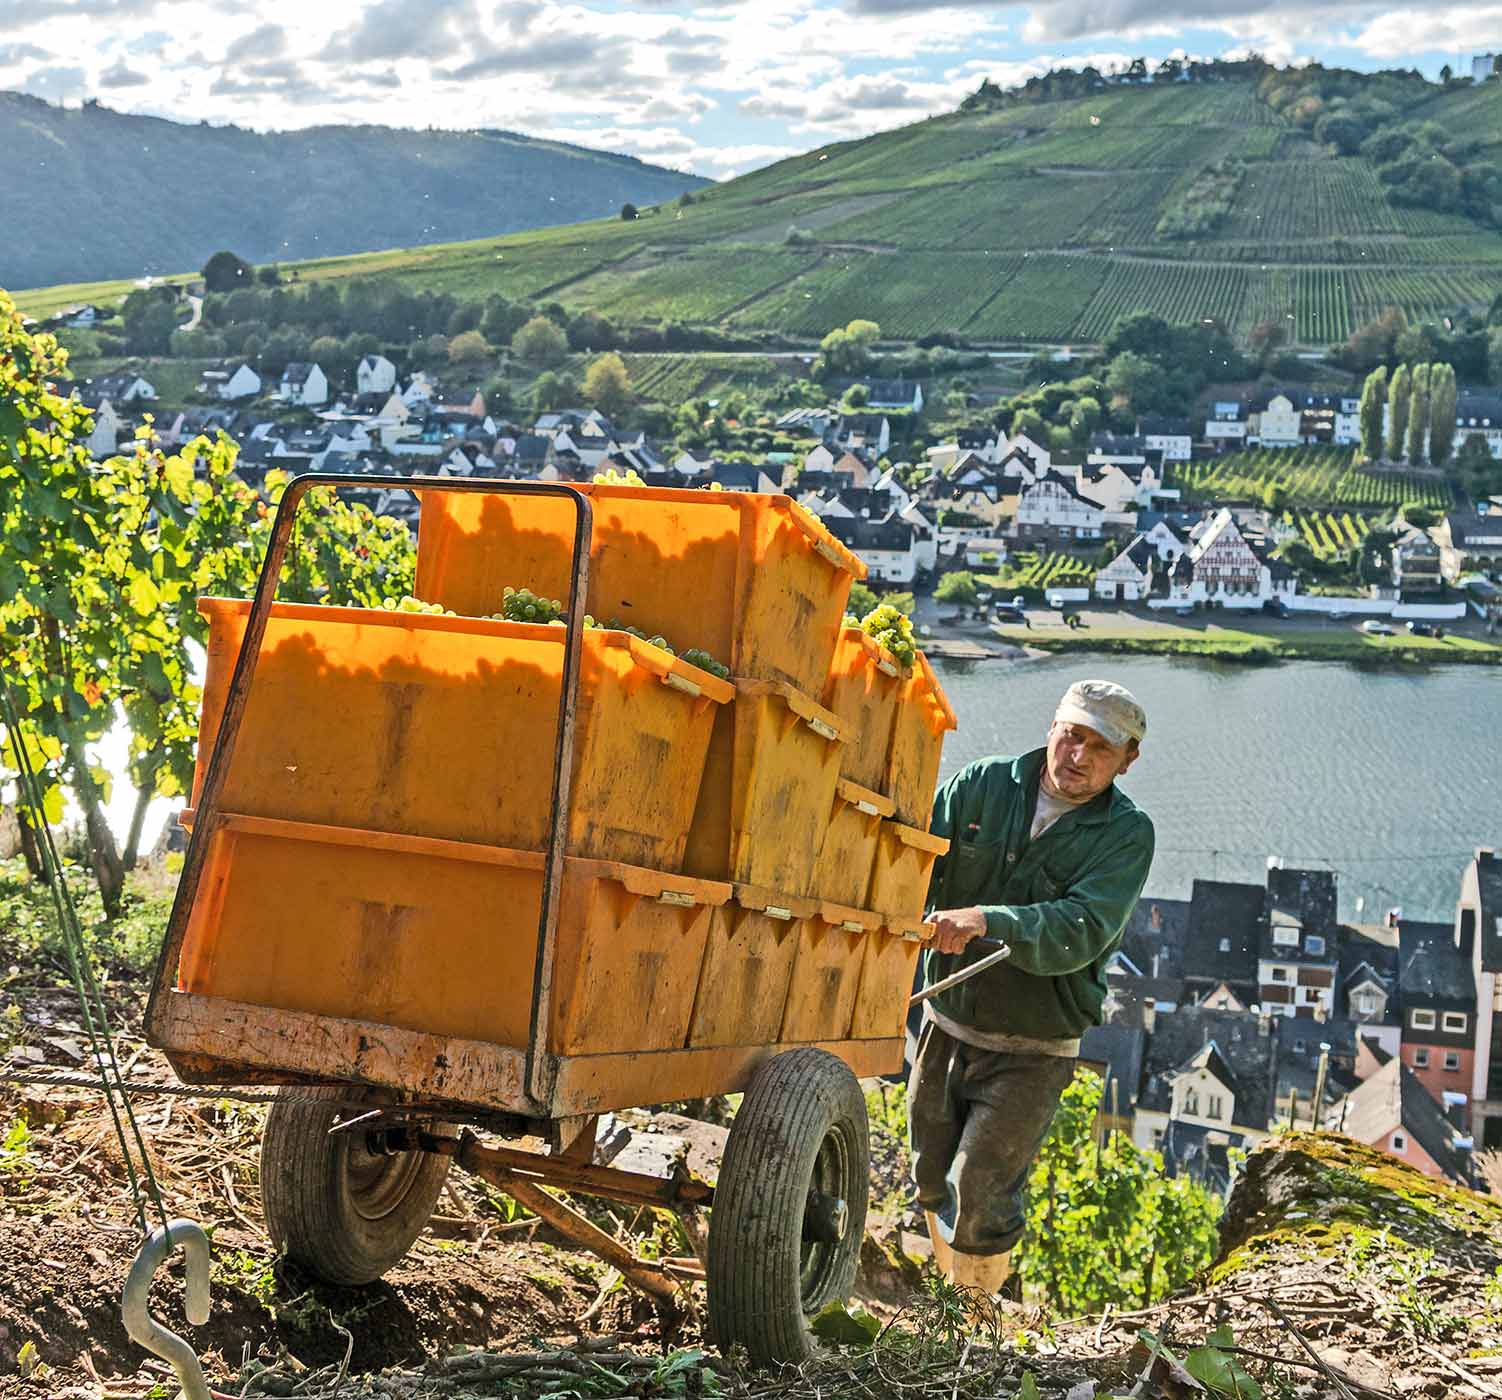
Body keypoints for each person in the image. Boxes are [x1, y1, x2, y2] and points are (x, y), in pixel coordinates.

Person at [908, 679, 1154, 1298]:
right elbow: (913, 866)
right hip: (944, 1024)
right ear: (1052, 728)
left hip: (1033, 1047)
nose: (1079, 757)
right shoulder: (981, 785)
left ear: (1128, 760)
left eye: (1101, 748)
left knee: (980, 1191)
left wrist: (986, 919)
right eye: (1072, 736)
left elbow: (1081, 929)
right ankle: (940, 1310)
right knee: (930, 1179)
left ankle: (977, 1325)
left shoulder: (1127, 834)